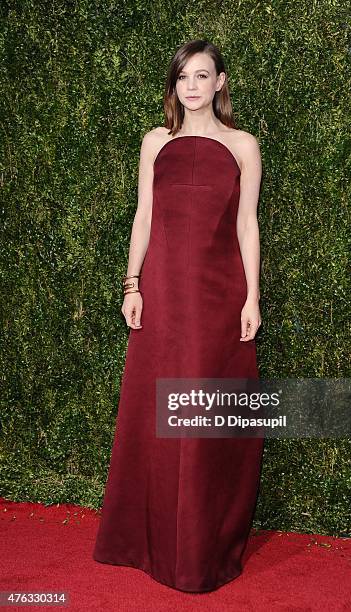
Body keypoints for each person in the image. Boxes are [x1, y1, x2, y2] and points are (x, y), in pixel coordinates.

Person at [93, 38, 265, 593]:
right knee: (158, 412)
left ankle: (205, 546)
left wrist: (252, 298)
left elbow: (247, 226)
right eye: (182, 77)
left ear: (220, 83)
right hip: (164, 295)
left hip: (219, 297)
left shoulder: (243, 145)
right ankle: (150, 543)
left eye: (202, 75)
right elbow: (142, 218)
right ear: (176, 86)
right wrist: (132, 284)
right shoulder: (155, 143)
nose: (191, 86)